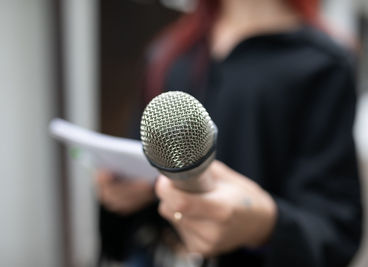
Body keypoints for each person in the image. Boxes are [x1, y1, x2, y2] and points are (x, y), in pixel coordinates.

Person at [96, 0, 363, 266]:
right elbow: (143, 153)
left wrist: (264, 225)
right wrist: (125, 192)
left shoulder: (322, 65)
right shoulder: (169, 53)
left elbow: (335, 230)